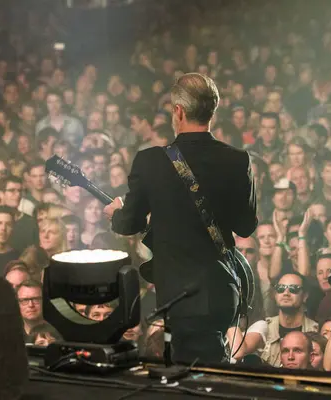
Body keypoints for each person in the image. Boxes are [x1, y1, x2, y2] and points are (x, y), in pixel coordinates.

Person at [104, 73, 257, 363]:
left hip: (180, 295)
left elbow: (130, 224)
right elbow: (246, 227)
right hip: (223, 289)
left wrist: (115, 213)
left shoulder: (150, 161)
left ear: (178, 111)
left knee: (189, 374)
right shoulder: (238, 160)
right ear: (213, 110)